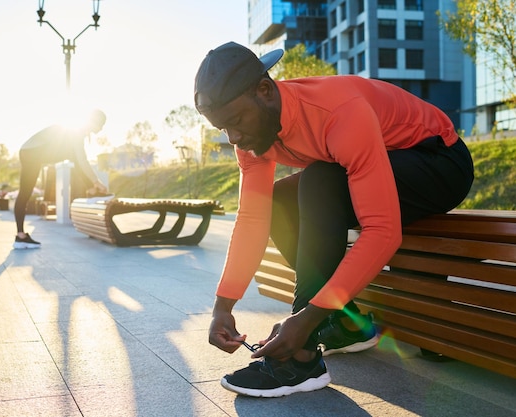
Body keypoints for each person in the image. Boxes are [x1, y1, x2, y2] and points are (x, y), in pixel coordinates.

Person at [194, 42, 474, 397]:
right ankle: (346, 324)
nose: (233, 137)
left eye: (234, 122)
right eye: (222, 129)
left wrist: (306, 319)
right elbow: (252, 218)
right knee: (280, 199)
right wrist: (223, 306)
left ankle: (302, 356)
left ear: (264, 91)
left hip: (439, 162)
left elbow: (383, 231)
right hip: (382, 163)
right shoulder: (251, 136)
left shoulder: (338, 111)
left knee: (320, 179)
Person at [13, 109, 109, 249]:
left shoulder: (77, 131)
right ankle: (20, 237)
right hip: (32, 153)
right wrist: (96, 180)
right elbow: (82, 160)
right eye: (101, 125)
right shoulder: (76, 132)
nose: (101, 129)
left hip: (32, 152)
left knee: (72, 156)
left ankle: (92, 189)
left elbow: (80, 158)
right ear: (94, 122)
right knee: (25, 192)